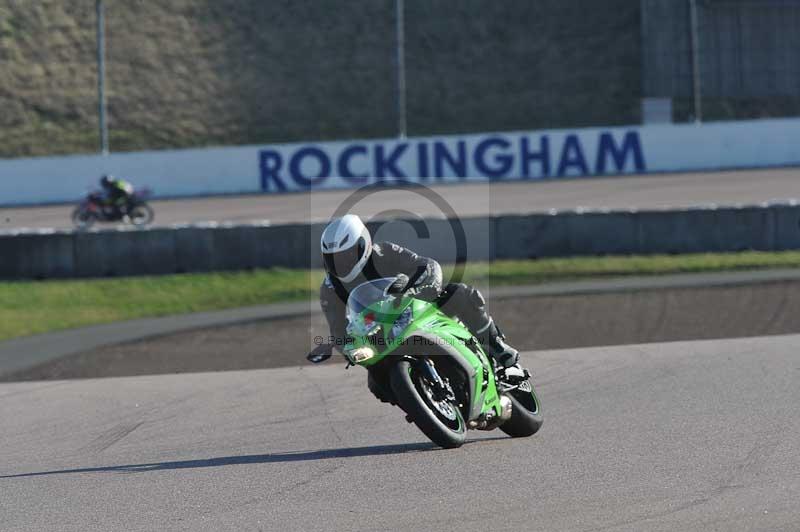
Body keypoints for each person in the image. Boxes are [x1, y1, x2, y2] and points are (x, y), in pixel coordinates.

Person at [307, 214, 525, 380]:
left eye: (345, 255)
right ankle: (420, 399)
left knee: (459, 293)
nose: (340, 263)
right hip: (381, 334)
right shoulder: (330, 287)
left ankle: (498, 349)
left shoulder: (385, 253)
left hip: (414, 307)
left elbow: (427, 266)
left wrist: (416, 289)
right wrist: (346, 348)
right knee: (376, 383)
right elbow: (338, 328)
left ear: (363, 245)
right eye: (332, 258)